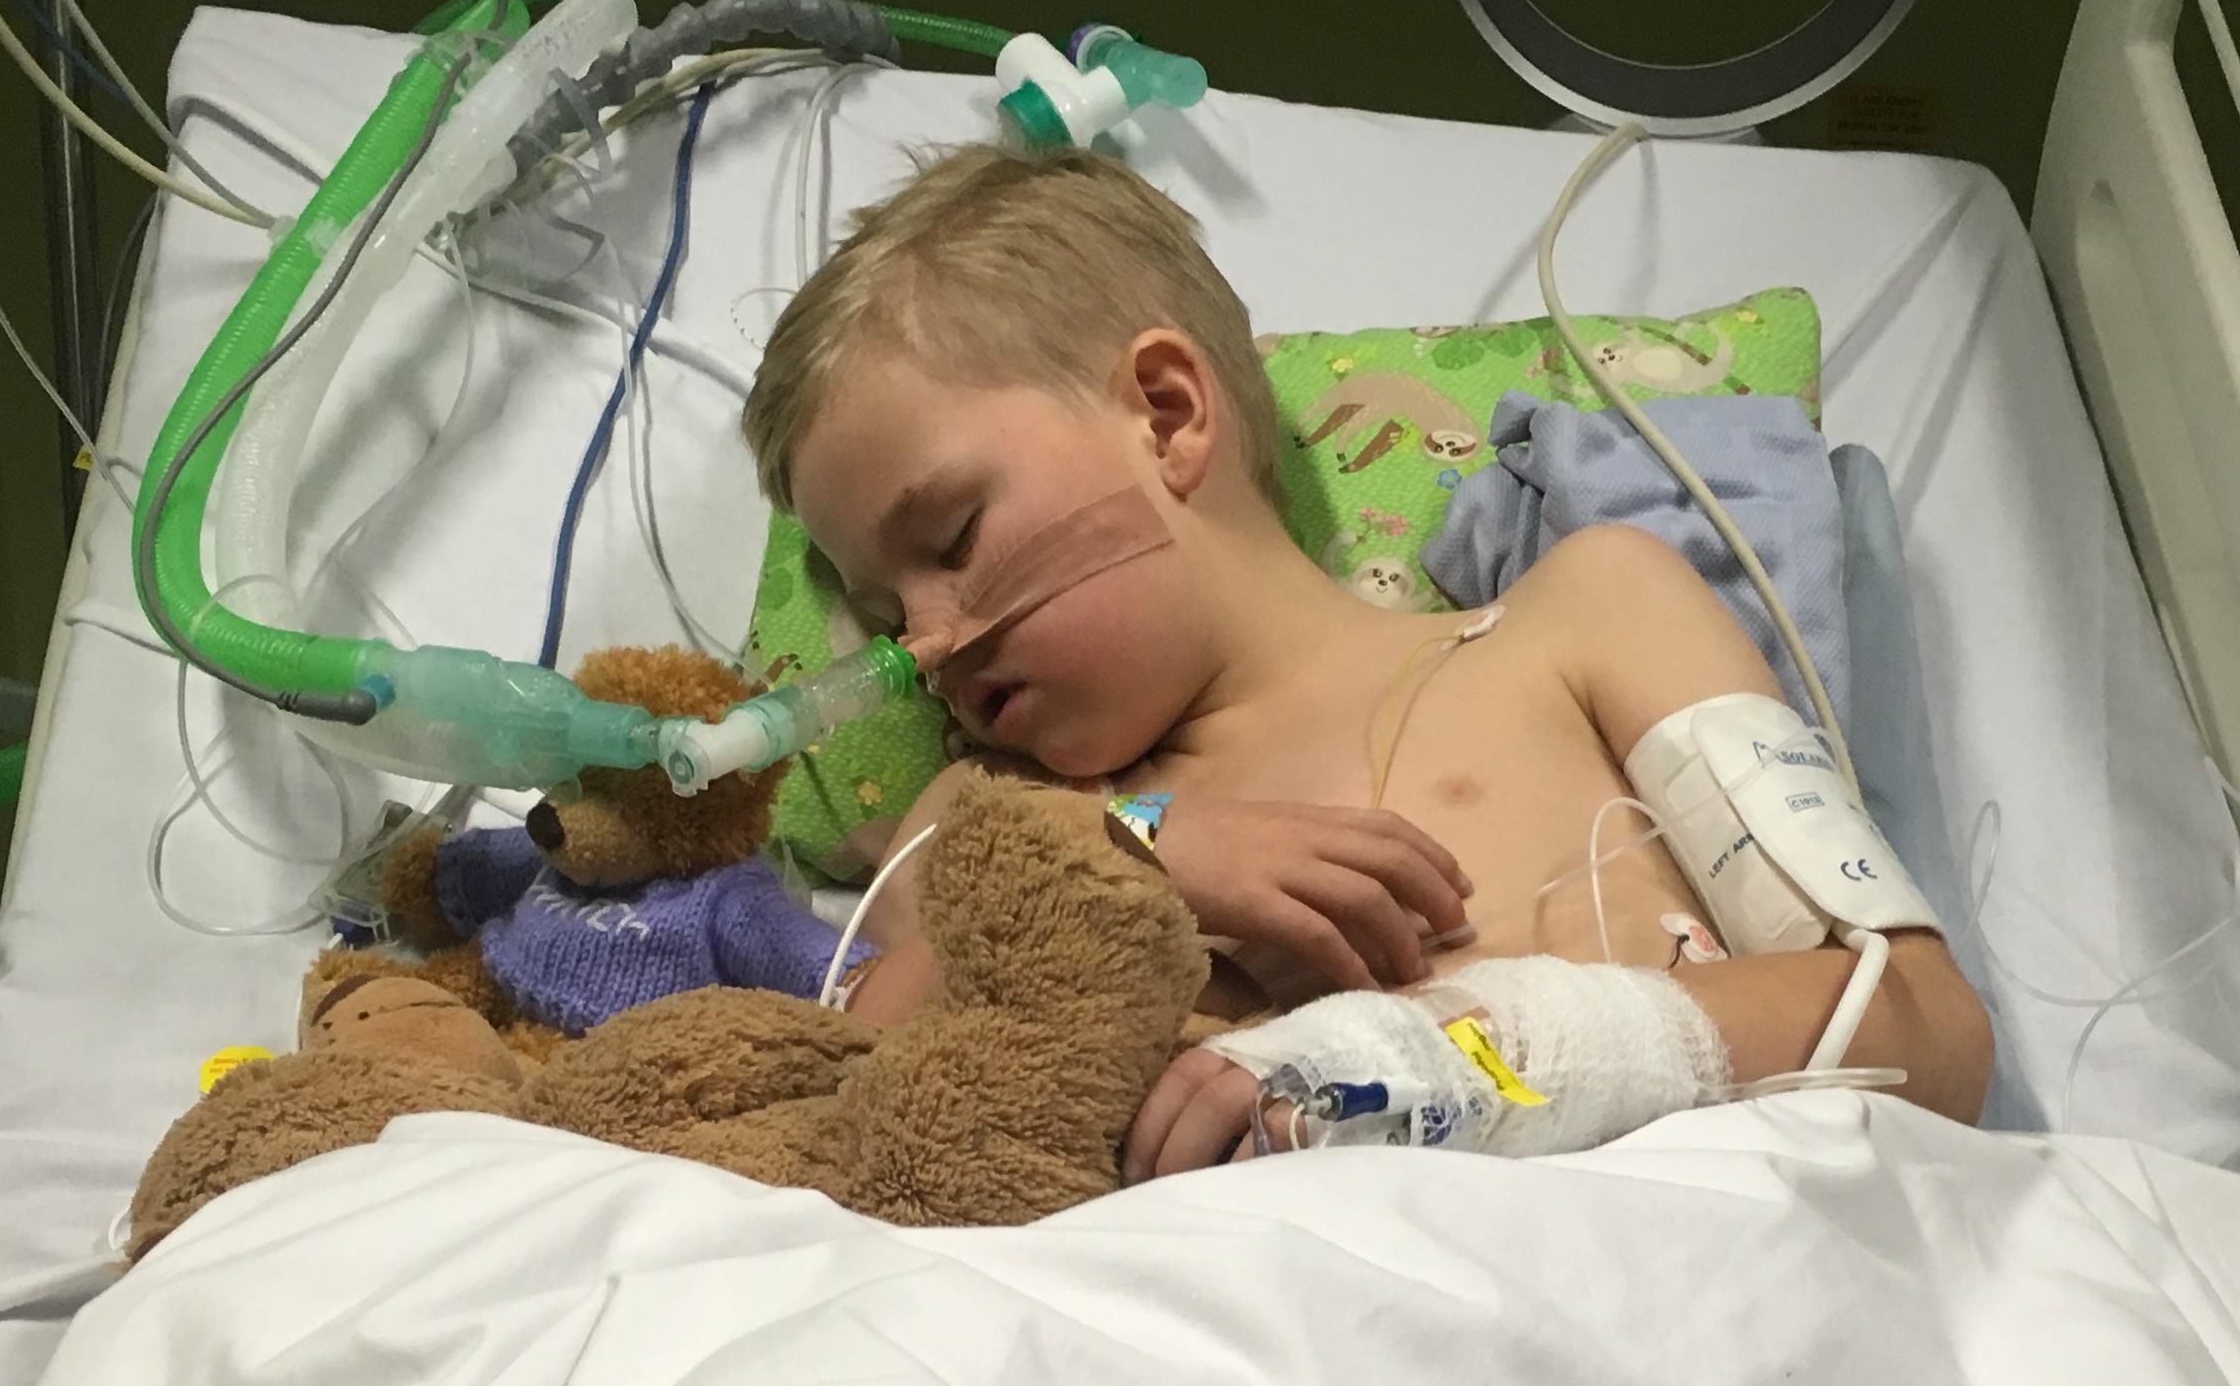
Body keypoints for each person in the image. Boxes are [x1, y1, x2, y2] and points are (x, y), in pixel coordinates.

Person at [740, 145, 1989, 1181]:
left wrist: (1452, 1060)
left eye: (954, 538)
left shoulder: (1586, 619)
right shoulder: (992, 827)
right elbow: (864, 1140)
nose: (928, 645)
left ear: (1167, 414)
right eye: (883, 614)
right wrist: (1126, 853)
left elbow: (1925, 1033)